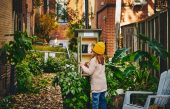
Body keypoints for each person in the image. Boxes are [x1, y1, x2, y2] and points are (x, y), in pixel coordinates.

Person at [79, 42, 107, 109]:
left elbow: (89, 72)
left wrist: (83, 66)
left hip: (96, 86)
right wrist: (90, 65)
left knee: (95, 103)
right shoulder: (103, 59)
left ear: (95, 50)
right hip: (103, 84)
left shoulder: (93, 60)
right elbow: (98, 68)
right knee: (102, 102)